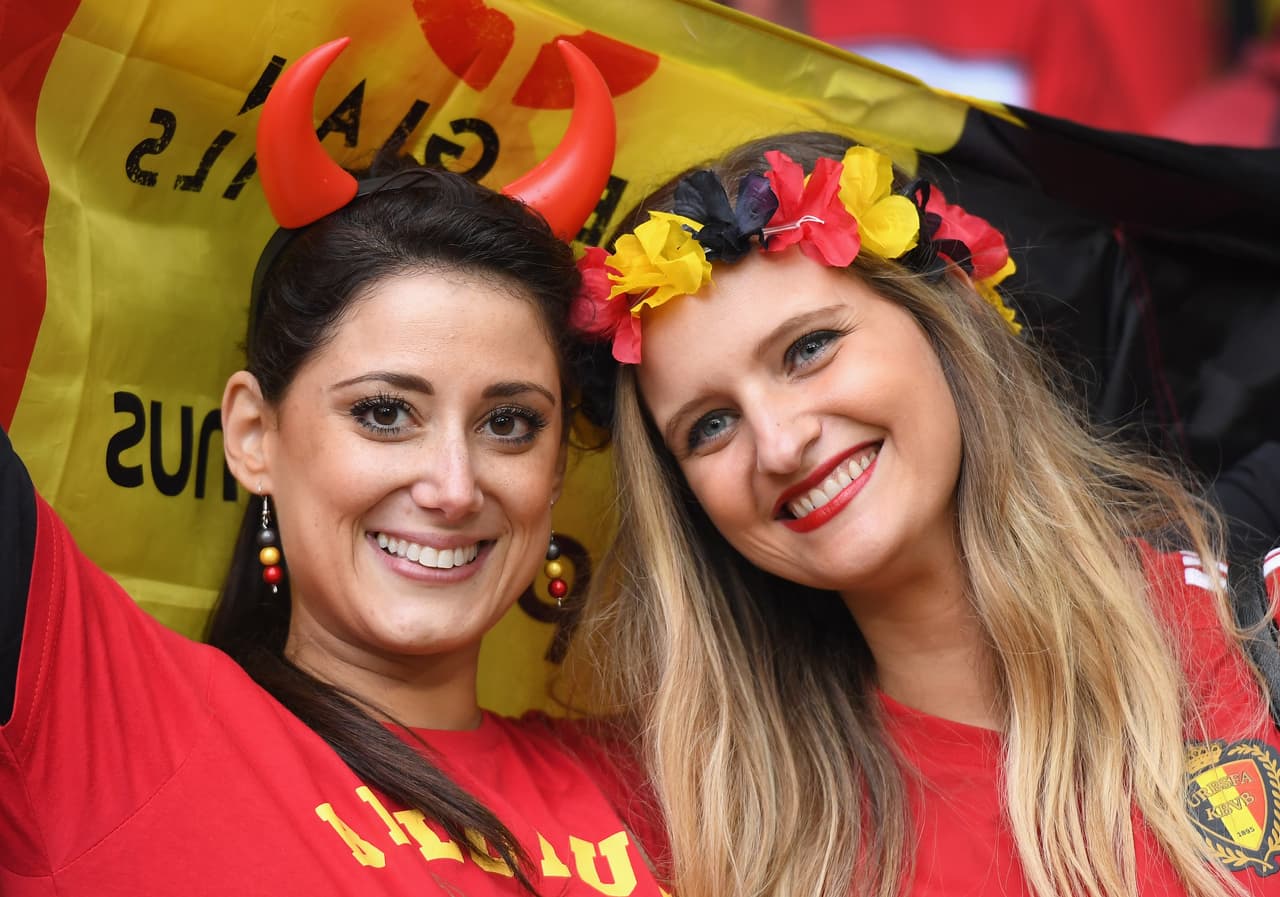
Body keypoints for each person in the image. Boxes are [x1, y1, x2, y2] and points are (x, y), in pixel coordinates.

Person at [0, 37, 668, 895]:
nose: (454, 486)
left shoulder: (663, 783)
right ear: (253, 434)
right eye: (385, 413)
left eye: (509, 422)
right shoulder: (94, 711)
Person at [563, 130, 1280, 897]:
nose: (778, 443)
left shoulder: (1249, 619)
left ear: (947, 320)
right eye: (709, 425)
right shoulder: (720, 840)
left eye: (808, 349)